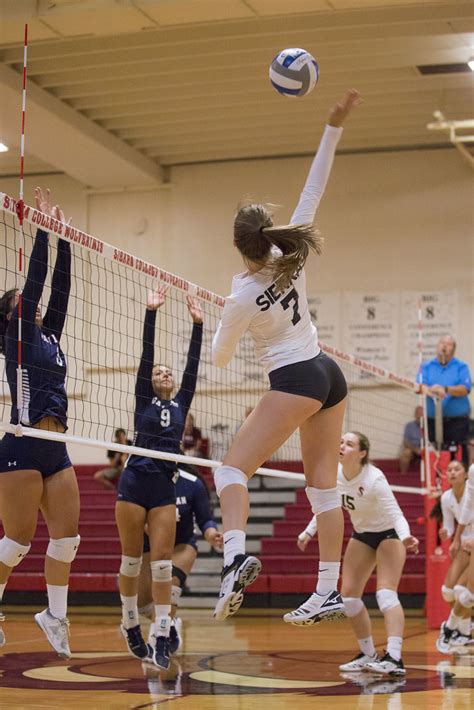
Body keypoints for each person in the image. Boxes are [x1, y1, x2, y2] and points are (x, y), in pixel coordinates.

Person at [210, 89, 361, 623]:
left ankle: (231, 561)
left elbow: (222, 358)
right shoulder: (291, 249)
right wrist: (333, 124)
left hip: (295, 377)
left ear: (237, 246)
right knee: (324, 485)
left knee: (230, 470)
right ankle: (327, 589)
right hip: (328, 371)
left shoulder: (241, 296)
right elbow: (314, 185)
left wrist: (218, 318)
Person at [0, 187, 80, 657]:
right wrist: (44, 234)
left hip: (57, 446)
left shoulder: (48, 334)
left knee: (66, 540)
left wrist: (66, 239)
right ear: (10, 316)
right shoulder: (19, 337)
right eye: (18, 302)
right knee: (16, 543)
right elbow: (33, 289)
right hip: (22, 444)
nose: (25, 303)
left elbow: (60, 290)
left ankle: (54, 614)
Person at [115, 284, 203, 671]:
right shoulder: (142, 397)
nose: (164, 373)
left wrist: (197, 324)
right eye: (159, 372)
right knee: (133, 561)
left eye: (168, 372)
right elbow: (145, 353)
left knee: (162, 564)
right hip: (134, 481)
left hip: (163, 485)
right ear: (150, 381)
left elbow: (193, 365)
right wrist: (152, 313)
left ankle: (163, 631)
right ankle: (131, 622)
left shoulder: (182, 401)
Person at [295, 431, 419, 675]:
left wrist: (405, 537)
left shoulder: (375, 479)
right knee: (349, 600)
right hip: (362, 535)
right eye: (340, 441)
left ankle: (394, 658)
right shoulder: (336, 474)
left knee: (385, 595)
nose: (342, 446)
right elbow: (326, 506)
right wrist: (309, 532)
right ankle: (368, 654)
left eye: (349, 444)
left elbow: (396, 514)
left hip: (390, 535)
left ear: (362, 453)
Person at [137, 463, 223, 654]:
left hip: (182, 545)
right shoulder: (143, 482)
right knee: (142, 605)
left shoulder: (193, 484)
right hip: (150, 545)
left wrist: (211, 534)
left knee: (169, 583)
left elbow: (205, 519)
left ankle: (157, 641)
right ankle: (171, 622)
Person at [436, 460, 474, 653]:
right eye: (449, 470)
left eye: (456, 469)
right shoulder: (446, 498)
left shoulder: (470, 487)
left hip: (471, 541)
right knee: (449, 591)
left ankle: (454, 629)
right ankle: (463, 632)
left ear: (465, 474)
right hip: (466, 541)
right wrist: (450, 535)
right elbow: (453, 523)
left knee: (464, 592)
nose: (452, 472)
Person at [420, 335, 471, 465]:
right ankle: (435, 483)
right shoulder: (426, 366)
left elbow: (465, 388)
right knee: (434, 454)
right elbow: (420, 386)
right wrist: (432, 390)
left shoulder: (461, 366)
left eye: (449, 344)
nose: (444, 346)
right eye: (442, 343)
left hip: (456, 422)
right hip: (432, 420)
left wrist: (445, 389)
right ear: (437, 346)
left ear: (453, 349)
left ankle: (461, 483)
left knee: (457, 455)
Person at [399, 406, 423, 474]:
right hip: (413, 449)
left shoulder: (428, 426)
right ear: (415, 414)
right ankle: (403, 475)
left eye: (421, 414)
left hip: (425, 449)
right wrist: (416, 450)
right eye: (418, 414)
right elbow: (405, 442)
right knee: (406, 452)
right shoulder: (409, 426)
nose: (420, 416)